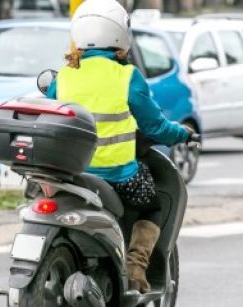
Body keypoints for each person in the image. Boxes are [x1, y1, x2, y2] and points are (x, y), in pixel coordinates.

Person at [46, 0, 193, 293]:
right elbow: (155, 126)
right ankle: (136, 266)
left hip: (71, 175)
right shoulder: (127, 76)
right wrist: (182, 134)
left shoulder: (63, 76)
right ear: (119, 34)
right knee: (154, 206)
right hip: (119, 176)